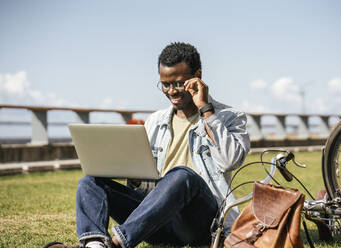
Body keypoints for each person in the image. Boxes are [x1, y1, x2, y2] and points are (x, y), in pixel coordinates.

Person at [45, 42, 250, 248]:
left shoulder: (229, 117)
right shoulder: (155, 121)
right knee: (90, 182)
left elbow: (230, 160)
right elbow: (147, 187)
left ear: (197, 75)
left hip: (200, 221)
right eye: (165, 84)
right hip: (157, 222)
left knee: (182, 176)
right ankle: (94, 244)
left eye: (178, 84)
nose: (172, 92)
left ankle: (115, 245)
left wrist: (206, 110)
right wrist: (134, 179)